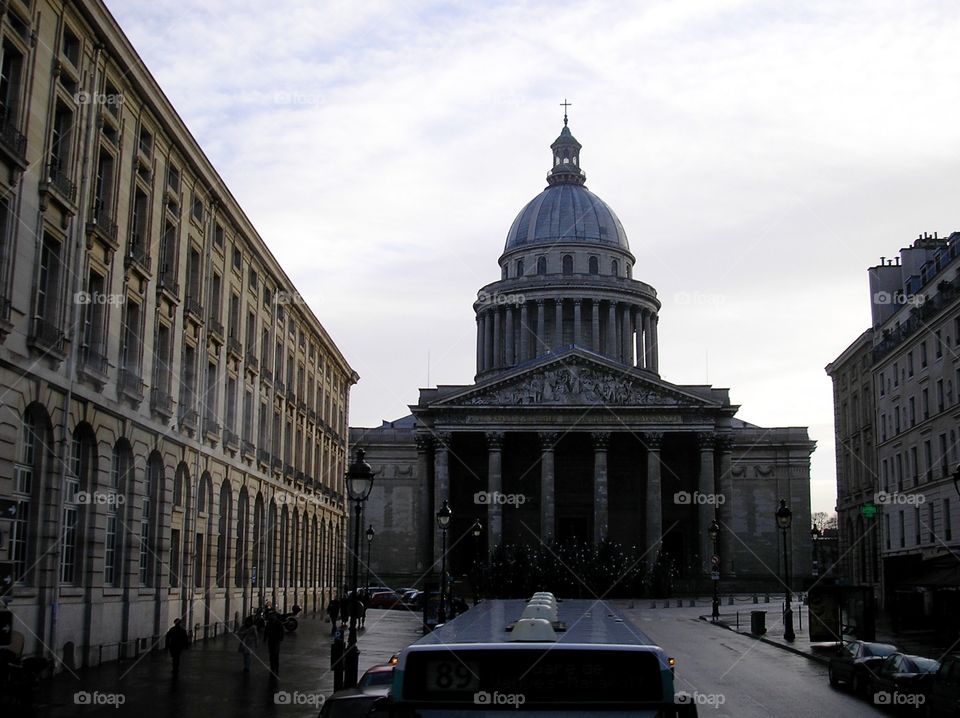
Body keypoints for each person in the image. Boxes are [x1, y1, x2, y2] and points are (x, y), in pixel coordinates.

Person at [264, 611, 284, 678]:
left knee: (275, 654)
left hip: (276, 640)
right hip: (271, 640)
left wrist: (281, 638)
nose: (272, 617)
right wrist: (265, 638)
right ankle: (272, 667)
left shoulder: (278, 623)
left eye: (273, 616)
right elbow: (266, 631)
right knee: (271, 654)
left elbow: (282, 631)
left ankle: (276, 667)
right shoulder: (269, 623)